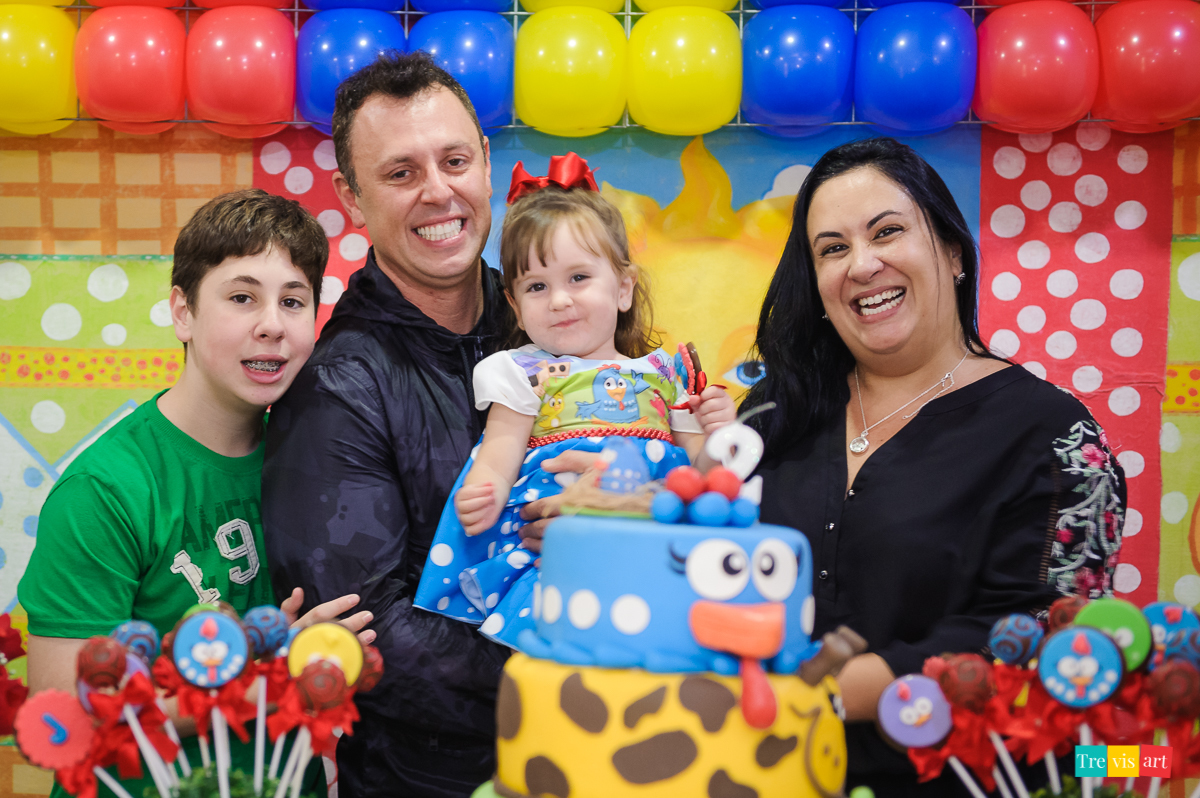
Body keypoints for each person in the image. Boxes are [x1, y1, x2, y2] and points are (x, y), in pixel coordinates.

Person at [739, 137, 1125, 796]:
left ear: (952, 253)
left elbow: (1042, 637)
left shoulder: (1057, 437)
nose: (861, 265)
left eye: (886, 232)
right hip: (749, 770)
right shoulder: (777, 406)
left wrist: (836, 691)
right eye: (832, 248)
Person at [19, 188, 373, 798]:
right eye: (241, 297)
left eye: (293, 301)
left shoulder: (325, 458)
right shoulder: (105, 491)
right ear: (182, 311)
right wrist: (262, 680)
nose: (271, 325)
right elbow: (62, 724)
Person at [261, 52, 515, 798]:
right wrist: (570, 678)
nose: (439, 192)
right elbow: (373, 636)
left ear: (486, 163)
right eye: (401, 173)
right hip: (432, 778)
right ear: (352, 197)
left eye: (455, 160)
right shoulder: (337, 384)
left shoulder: (553, 325)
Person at [413, 158, 736, 647]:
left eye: (578, 278)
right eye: (537, 287)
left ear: (623, 288)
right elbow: (499, 450)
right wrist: (487, 491)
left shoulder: (665, 373)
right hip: (556, 552)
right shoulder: (524, 373)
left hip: (658, 544)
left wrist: (720, 435)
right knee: (567, 651)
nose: (559, 300)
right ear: (516, 307)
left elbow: (700, 469)